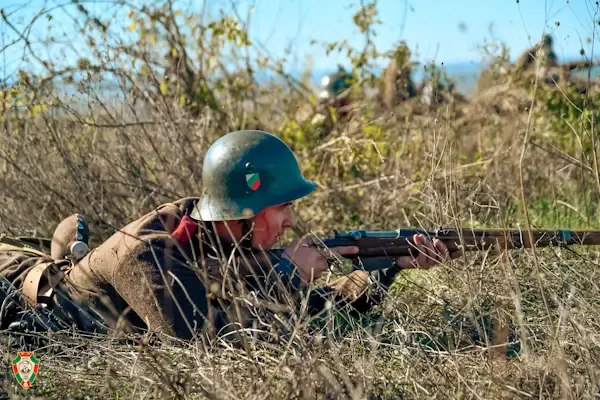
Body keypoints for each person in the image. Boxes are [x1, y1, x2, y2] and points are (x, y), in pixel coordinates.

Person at [0, 130, 456, 341]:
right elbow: (203, 337)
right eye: (284, 207)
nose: (292, 222)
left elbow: (305, 312)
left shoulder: (223, 238)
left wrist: (386, 268)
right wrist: (287, 275)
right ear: (243, 209)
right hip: (23, 292)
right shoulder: (147, 254)